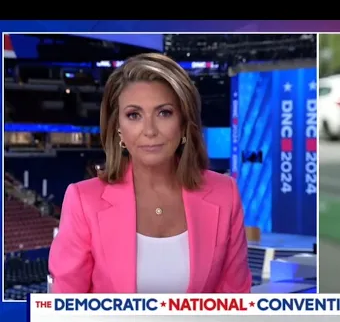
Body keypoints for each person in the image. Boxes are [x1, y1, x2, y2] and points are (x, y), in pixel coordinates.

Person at [49, 53, 252, 294]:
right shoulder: (84, 201)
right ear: (118, 128)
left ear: (184, 123)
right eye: (134, 115)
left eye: (164, 113)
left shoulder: (224, 193)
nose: (149, 130)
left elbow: (235, 301)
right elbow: (65, 307)